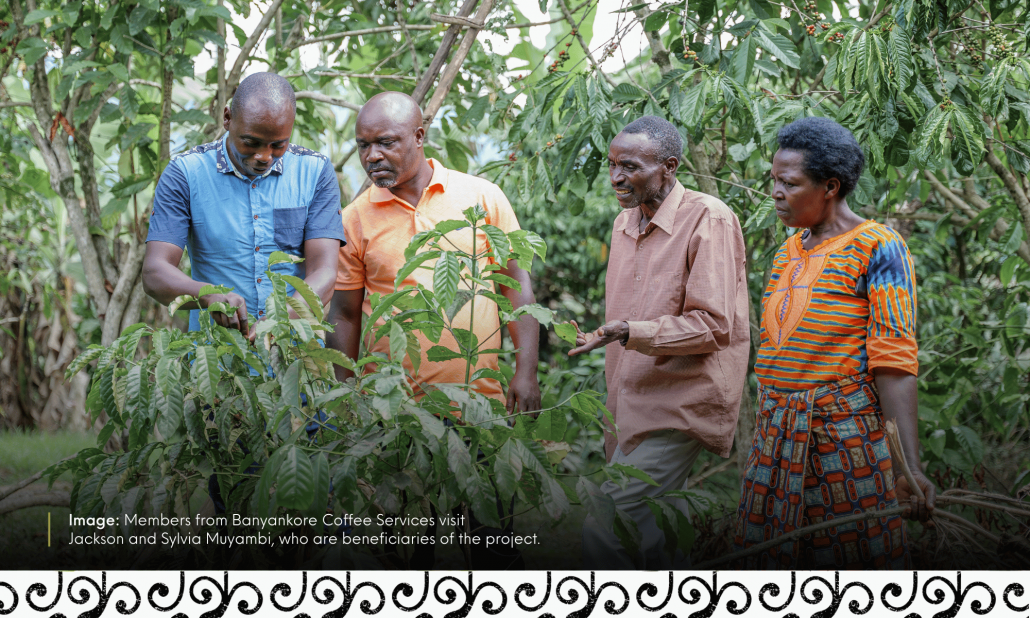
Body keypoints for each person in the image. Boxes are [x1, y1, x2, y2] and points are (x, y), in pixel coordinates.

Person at [326, 91, 540, 569]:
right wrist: (349, 398)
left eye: (385, 142)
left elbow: (516, 284)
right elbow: (344, 314)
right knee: (406, 547)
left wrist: (526, 370)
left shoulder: (480, 196)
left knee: (490, 538)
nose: (372, 156)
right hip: (394, 410)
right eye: (363, 145)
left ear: (420, 137)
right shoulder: (356, 217)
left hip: (477, 402)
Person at [733, 116, 936, 569]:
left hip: (845, 443)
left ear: (830, 186)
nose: (776, 193)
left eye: (789, 183)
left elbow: (894, 358)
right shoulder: (789, 251)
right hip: (775, 439)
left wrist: (908, 467)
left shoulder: (879, 246)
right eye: (774, 181)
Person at [571, 115, 751, 569]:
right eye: (612, 165)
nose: (616, 177)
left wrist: (632, 331)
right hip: (628, 398)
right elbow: (631, 314)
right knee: (648, 535)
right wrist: (606, 334)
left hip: (679, 403)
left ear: (669, 167)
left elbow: (714, 325)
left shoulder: (709, 217)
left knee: (607, 522)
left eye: (630, 166)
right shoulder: (622, 223)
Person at [143, 72, 345, 338]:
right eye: (251, 143)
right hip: (217, 363)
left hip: (297, 363)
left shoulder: (315, 172)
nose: (264, 156)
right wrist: (208, 296)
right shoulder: (185, 174)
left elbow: (324, 272)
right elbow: (155, 272)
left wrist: (280, 321)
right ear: (227, 118)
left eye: (278, 145)